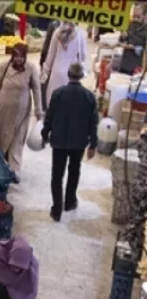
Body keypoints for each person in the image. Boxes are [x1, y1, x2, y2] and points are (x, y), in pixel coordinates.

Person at [43, 62, 98, 221]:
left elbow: (50, 117)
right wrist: (93, 145)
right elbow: (93, 123)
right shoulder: (89, 97)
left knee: (57, 175)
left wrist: (45, 134)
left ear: (68, 75)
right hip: (79, 143)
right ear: (81, 76)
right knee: (74, 171)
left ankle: (57, 210)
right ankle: (69, 202)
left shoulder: (58, 93)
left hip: (59, 141)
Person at [0, 43, 42, 176]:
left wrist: (38, 110)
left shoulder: (31, 68)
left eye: (21, 57)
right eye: (16, 56)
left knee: (17, 141)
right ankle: (0, 166)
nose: (19, 59)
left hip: (21, 114)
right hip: (3, 111)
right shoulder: (3, 66)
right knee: (1, 138)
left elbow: (36, 89)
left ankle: (14, 170)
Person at [42, 21, 88, 102]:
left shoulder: (57, 32)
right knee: (69, 100)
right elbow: (83, 55)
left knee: (54, 97)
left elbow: (51, 54)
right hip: (72, 72)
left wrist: (45, 71)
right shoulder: (80, 34)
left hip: (57, 70)